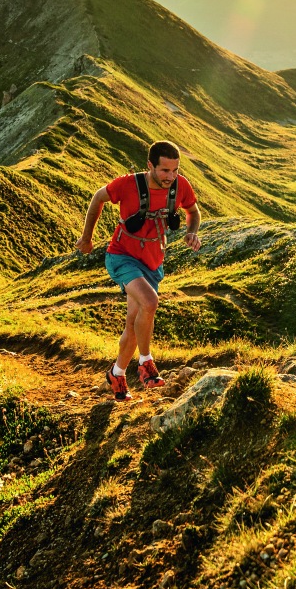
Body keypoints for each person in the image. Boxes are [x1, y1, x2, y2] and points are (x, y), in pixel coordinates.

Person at [77, 140, 201, 402]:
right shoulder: (128, 184)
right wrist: (87, 238)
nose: (171, 177)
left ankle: (117, 373)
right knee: (150, 301)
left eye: (175, 170)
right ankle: (146, 364)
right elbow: (98, 197)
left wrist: (192, 233)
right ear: (150, 166)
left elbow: (193, 211)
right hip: (121, 257)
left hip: (153, 262)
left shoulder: (181, 186)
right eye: (164, 170)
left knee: (134, 325)